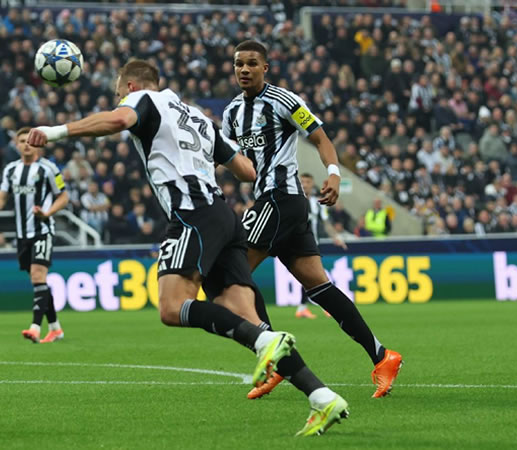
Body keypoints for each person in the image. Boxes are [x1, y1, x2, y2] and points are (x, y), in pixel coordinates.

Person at [28, 59, 348, 437]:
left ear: (131, 86)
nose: (119, 100)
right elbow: (246, 170)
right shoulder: (196, 116)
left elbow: (118, 121)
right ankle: (322, 397)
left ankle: (268, 341)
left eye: (118, 93)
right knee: (249, 322)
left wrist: (55, 131)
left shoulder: (144, 100)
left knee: (171, 307)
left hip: (192, 215)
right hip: (224, 216)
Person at [224, 41, 401, 400]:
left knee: (232, 275)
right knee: (319, 287)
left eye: (252, 63)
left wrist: (334, 173)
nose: (244, 69)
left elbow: (321, 139)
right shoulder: (231, 113)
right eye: (239, 64)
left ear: (265, 67)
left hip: (281, 198)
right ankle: (382, 356)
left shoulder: (284, 100)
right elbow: (233, 161)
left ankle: (275, 359)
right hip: (277, 203)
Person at [0, 127, 70, 344]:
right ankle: (55, 329)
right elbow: (1, 198)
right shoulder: (11, 170)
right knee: (39, 282)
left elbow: (63, 197)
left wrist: (47, 213)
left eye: (29, 140)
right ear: (16, 145)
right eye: (21, 141)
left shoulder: (48, 168)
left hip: (42, 230)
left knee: (38, 275)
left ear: (37, 144)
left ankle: (35, 328)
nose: (26, 144)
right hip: (22, 235)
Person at [294, 173, 348, 320]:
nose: (305, 184)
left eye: (307, 182)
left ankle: (303, 308)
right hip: (296, 244)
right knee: (316, 276)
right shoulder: (293, 200)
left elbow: (326, 222)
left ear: (312, 184)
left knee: (309, 276)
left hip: (313, 244)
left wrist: (336, 237)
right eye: (302, 181)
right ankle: (326, 306)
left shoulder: (317, 203)